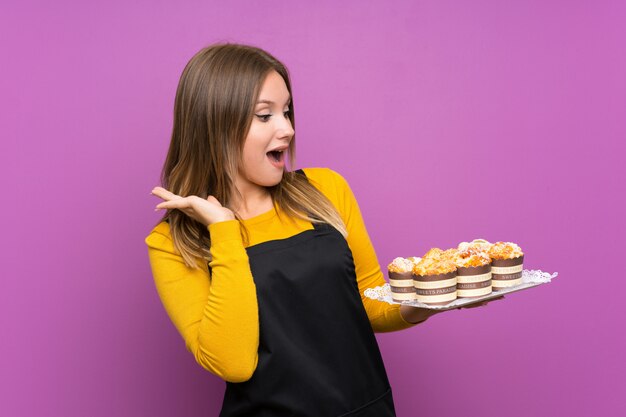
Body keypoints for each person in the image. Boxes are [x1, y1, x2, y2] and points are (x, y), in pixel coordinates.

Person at [145, 43, 496, 416]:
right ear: (214, 125)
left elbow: (368, 304)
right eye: (264, 116)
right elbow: (234, 362)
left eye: (287, 111)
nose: (288, 129)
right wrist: (224, 231)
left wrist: (432, 299)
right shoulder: (172, 242)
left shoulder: (325, 190)